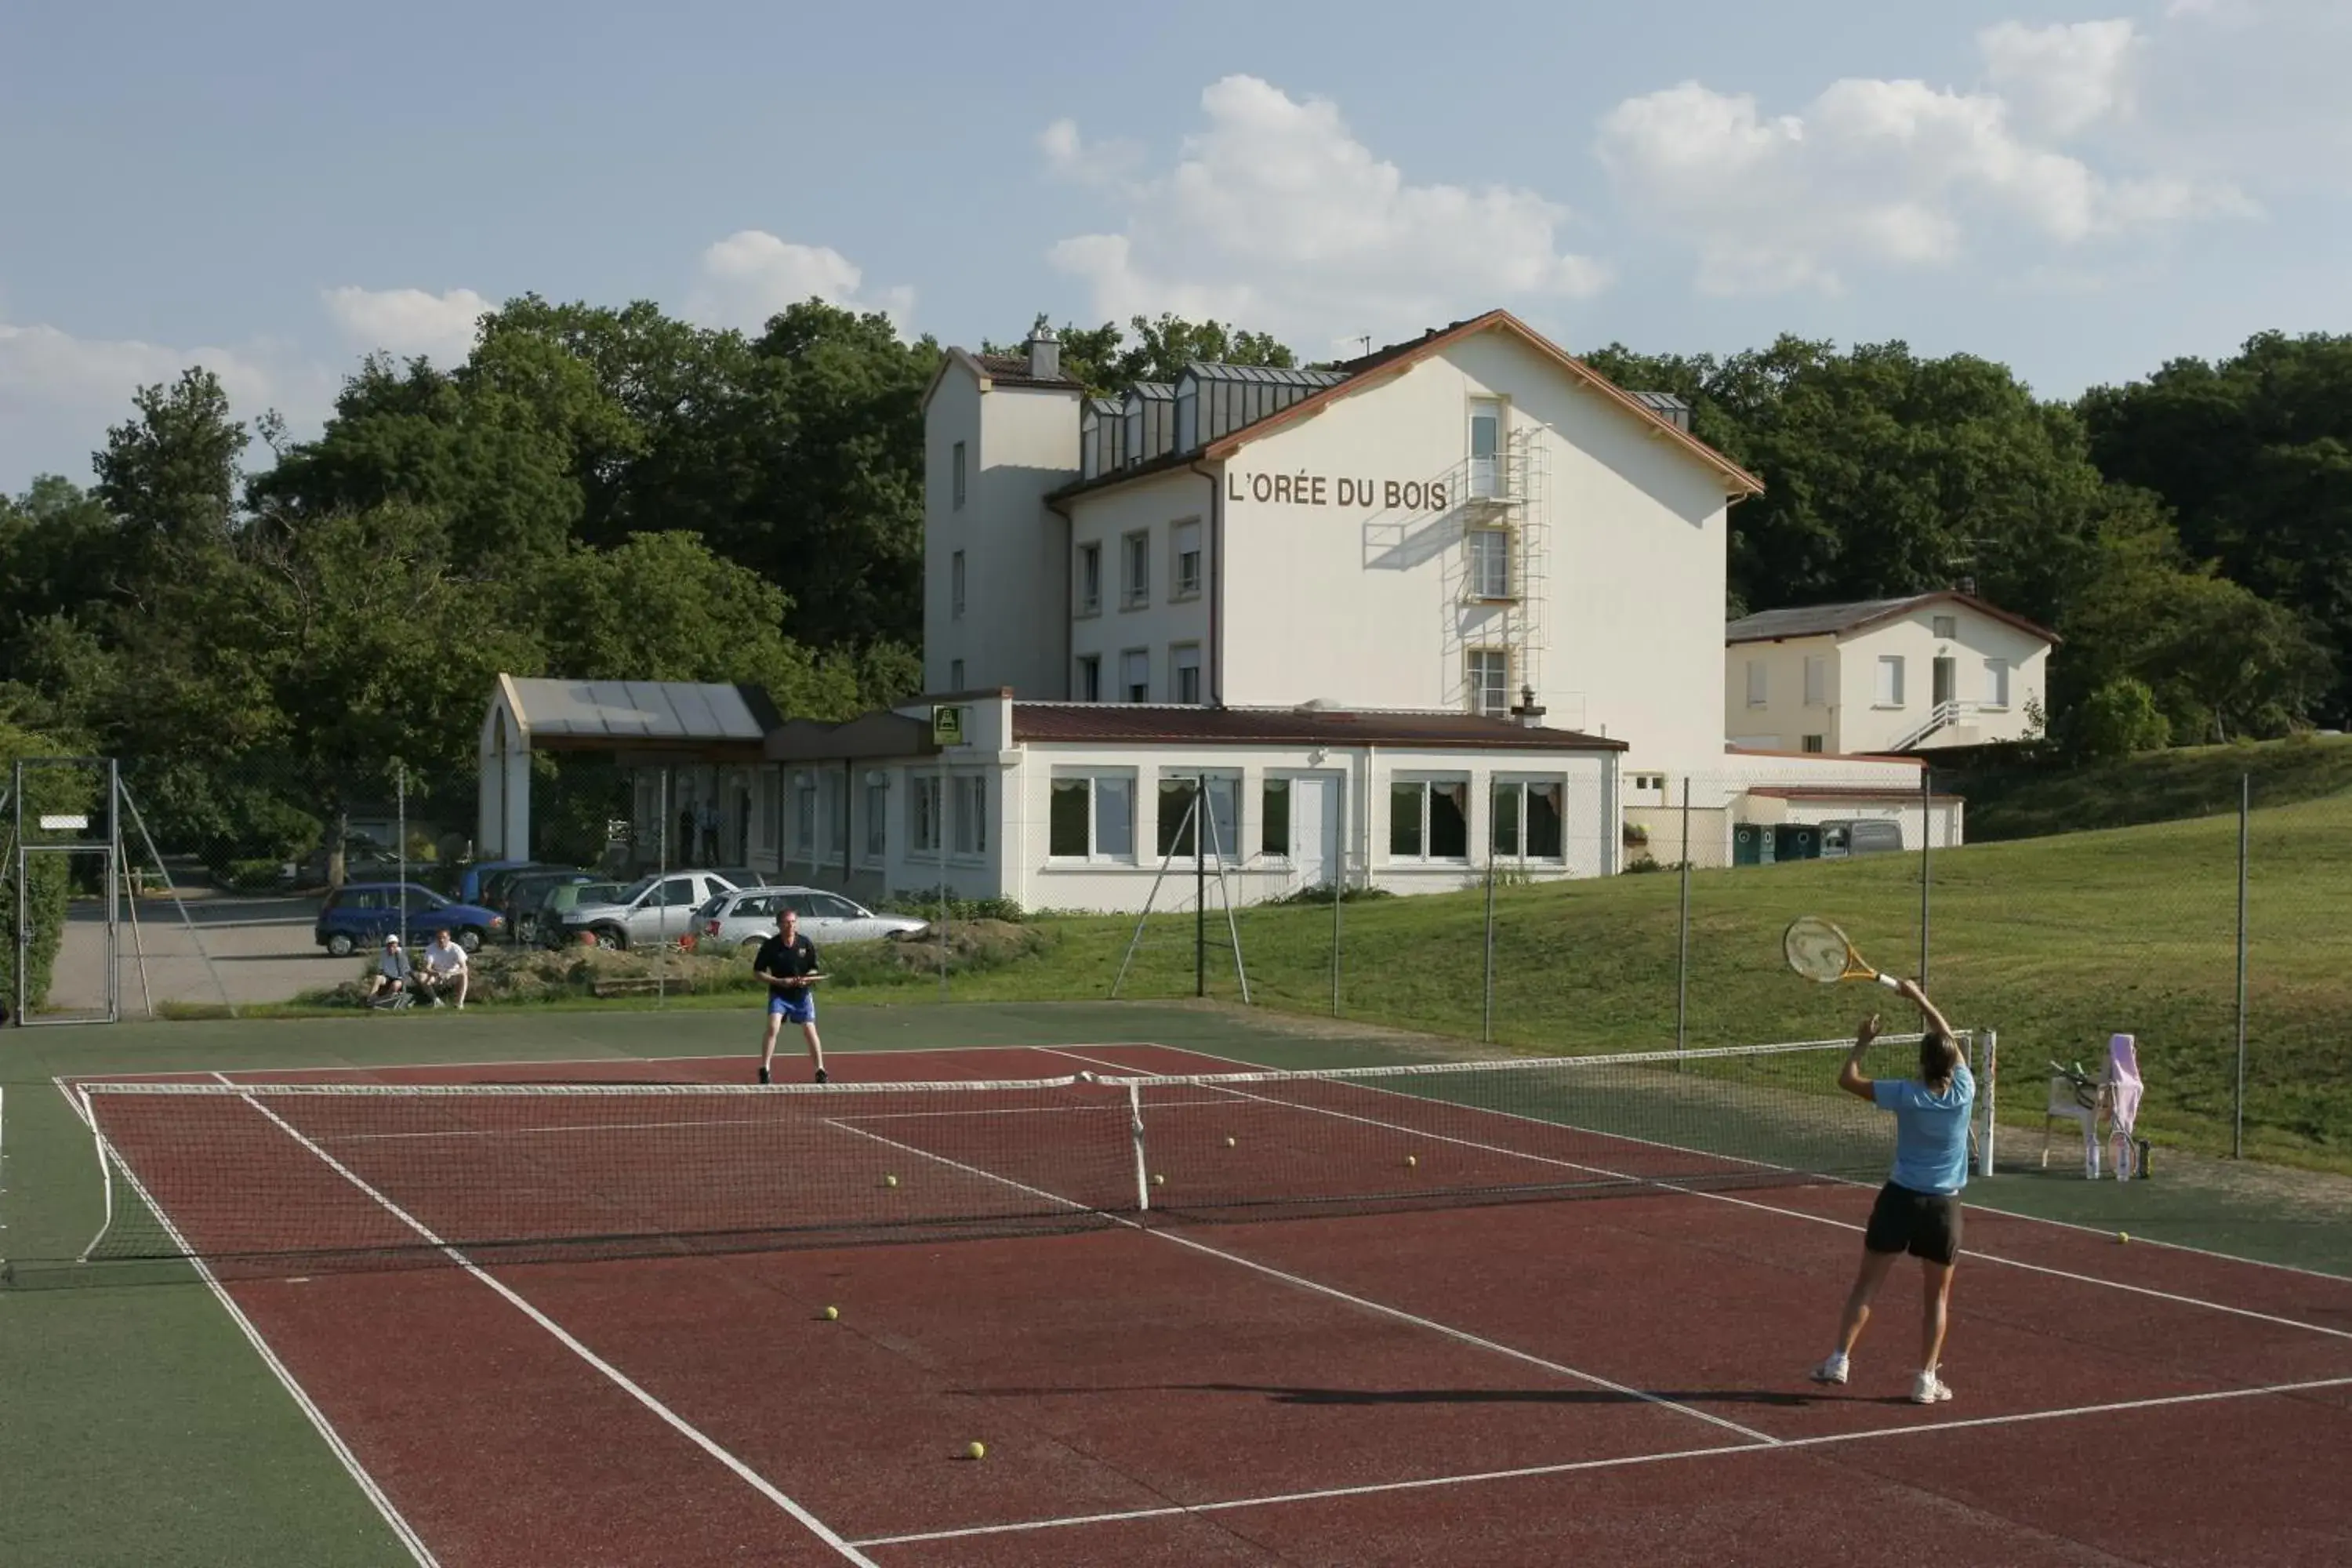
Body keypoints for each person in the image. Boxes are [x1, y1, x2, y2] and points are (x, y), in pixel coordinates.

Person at [1811, 977, 1975, 1405]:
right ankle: (1924, 1379)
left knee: (1867, 1285)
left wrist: (1863, 1042)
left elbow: (1847, 1079)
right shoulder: (1964, 1091)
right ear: (1951, 1063)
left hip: (1899, 1199)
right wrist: (1919, 996)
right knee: (1936, 1296)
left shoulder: (1904, 1094)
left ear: (1921, 1061)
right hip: (1942, 1209)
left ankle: (1839, 1360)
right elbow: (1947, 1037)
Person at [753, 906, 825, 1083]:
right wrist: (779, 982)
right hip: (779, 994)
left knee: (810, 1029)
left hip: (802, 995)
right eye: (786, 923)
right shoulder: (771, 946)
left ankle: (820, 1070)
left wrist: (807, 978)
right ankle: (765, 1069)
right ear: (779, 925)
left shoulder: (805, 943)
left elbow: (814, 968)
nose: (790, 926)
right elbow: (757, 972)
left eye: (793, 922)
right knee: (773, 1027)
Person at [416, 928, 469, 1010]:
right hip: (437, 975)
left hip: (452, 976)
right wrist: (436, 973)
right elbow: (427, 967)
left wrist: (450, 974)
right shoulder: (431, 948)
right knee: (421, 976)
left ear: (449, 938)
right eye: (439, 938)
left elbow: (464, 968)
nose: (441, 940)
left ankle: (459, 1003)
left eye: (444, 937)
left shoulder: (456, 948)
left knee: (464, 976)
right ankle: (436, 1000)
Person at [366, 935, 415, 1009]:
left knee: (395, 985)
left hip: (399, 978)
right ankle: (371, 1000)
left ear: (397, 946)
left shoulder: (401, 954)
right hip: (388, 977)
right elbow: (381, 969)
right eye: (389, 946)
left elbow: (407, 970)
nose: (391, 948)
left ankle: (383, 1002)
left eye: (393, 946)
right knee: (377, 978)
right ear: (387, 946)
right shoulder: (383, 953)